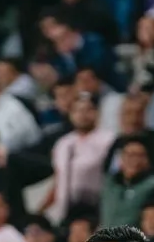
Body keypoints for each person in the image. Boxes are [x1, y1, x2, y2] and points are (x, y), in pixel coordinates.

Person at [47, 92, 116, 225]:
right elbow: (58, 179)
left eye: (88, 110)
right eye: (78, 111)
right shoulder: (63, 143)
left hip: (95, 207)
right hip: (65, 211)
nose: (83, 115)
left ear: (97, 113)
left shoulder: (108, 140)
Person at [99, 135, 154, 228]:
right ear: (121, 158)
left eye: (140, 156)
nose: (135, 160)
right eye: (130, 155)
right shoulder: (109, 184)